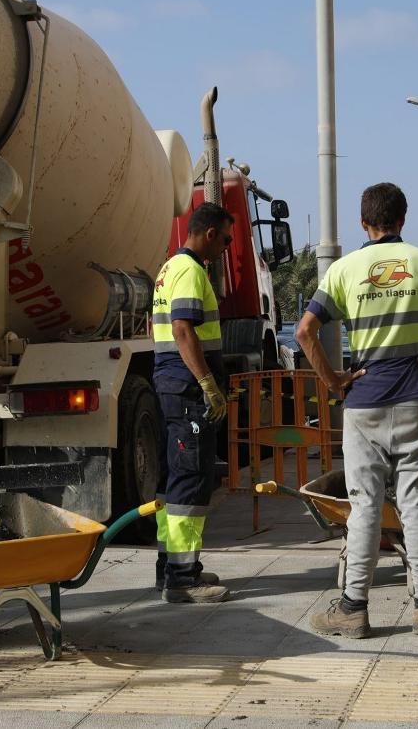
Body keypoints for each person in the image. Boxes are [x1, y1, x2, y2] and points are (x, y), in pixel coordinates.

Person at [296, 182, 418, 638]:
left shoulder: (344, 270)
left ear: (364, 223)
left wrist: (336, 381)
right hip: (415, 399)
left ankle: (353, 608)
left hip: (363, 403)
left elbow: (304, 332)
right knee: (416, 501)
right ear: (403, 219)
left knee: (363, 505)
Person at [151, 202, 235, 603]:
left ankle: (172, 565)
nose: (227, 247)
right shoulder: (188, 270)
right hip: (187, 390)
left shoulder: (170, 268)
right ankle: (183, 579)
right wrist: (208, 383)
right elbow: (183, 330)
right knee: (191, 479)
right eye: (226, 238)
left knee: (174, 478)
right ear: (208, 234)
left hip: (174, 386)